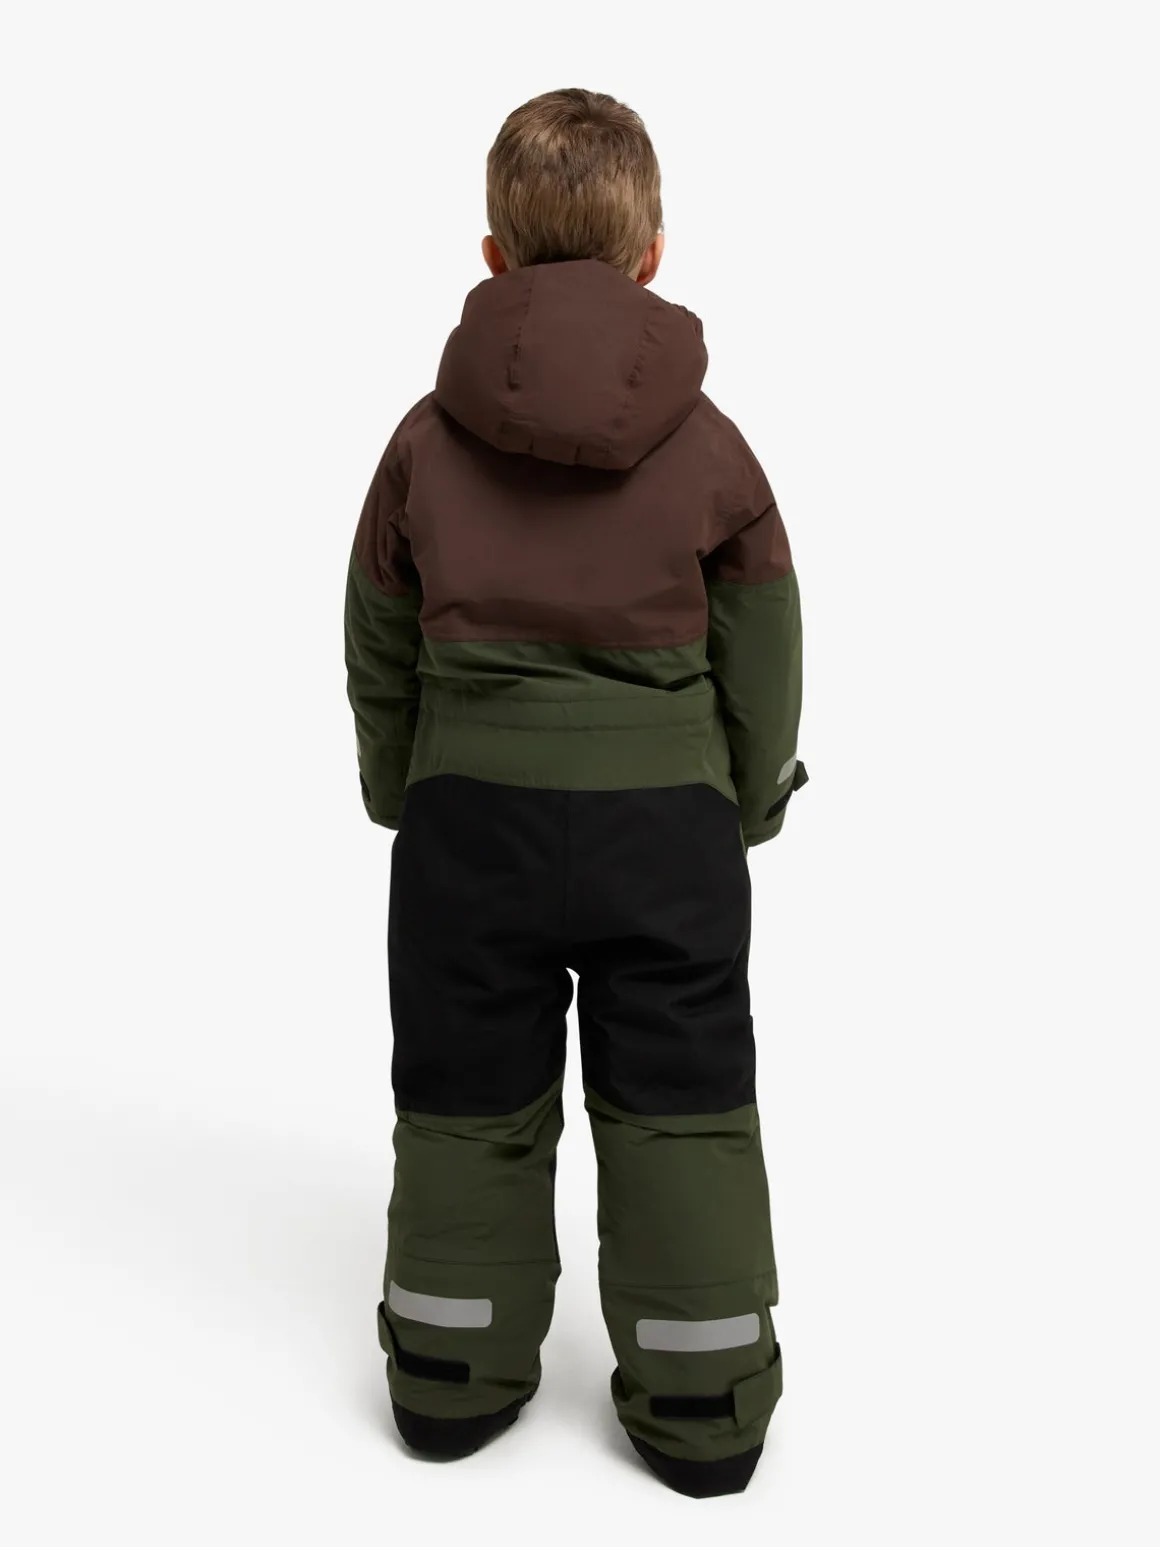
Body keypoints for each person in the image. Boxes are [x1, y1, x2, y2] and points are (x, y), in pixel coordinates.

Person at [344, 87, 806, 1498]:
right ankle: (704, 1400)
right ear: (652, 253)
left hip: (468, 818)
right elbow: (765, 642)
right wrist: (747, 802)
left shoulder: (424, 439)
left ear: (493, 255)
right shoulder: (710, 444)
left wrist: (401, 788)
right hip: (664, 827)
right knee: (681, 1104)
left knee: (464, 1093)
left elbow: (377, 635)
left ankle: (449, 1372)